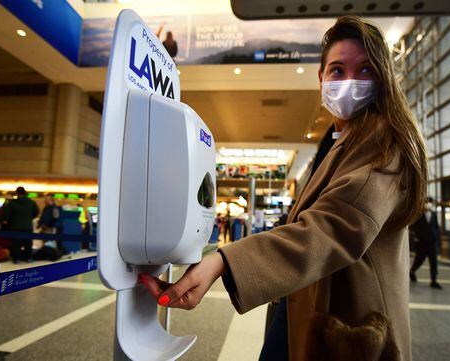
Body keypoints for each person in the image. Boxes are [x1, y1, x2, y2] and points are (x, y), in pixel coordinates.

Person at [141, 16, 427, 361]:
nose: (349, 81)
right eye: (337, 70)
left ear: (383, 78)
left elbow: (332, 228)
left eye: (365, 70)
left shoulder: (383, 139)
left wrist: (223, 262)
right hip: (305, 303)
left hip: (348, 327)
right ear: (321, 79)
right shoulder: (340, 139)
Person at [409, 197, 442, 290]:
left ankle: (434, 280)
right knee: (419, 260)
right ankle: (412, 271)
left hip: (432, 242)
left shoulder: (434, 214)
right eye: (427, 202)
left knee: (434, 262)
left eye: (430, 202)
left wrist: (437, 238)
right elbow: (413, 228)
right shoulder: (418, 215)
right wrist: (419, 236)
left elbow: (436, 227)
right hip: (422, 243)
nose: (429, 204)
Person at [2, 187, 39, 263]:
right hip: (28, 226)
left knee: (16, 243)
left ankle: (17, 258)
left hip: (15, 226)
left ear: (17, 193)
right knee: (28, 243)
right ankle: (28, 258)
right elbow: (36, 213)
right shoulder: (32, 202)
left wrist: (10, 221)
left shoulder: (12, 203)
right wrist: (28, 218)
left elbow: (7, 215)